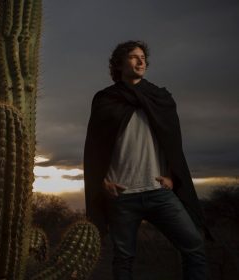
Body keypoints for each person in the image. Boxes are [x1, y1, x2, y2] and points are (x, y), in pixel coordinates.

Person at [83, 40, 215, 280]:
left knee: (194, 247)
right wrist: (102, 181)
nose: (141, 61)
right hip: (122, 195)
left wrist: (172, 177)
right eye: (133, 57)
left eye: (143, 57)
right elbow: (94, 149)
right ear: (119, 64)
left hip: (158, 191)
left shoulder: (160, 98)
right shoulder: (105, 100)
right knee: (123, 260)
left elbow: (173, 143)